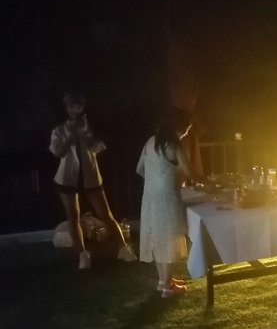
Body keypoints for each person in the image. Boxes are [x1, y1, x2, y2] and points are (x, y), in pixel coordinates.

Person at [49, 92, 138, 269]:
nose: (75, 109)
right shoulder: (60, 129)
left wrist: (86, 135)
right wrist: (70, 136)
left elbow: (99, 147)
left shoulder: (91, 125)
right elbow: (57, 152)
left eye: (78, 105)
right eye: (71, 106)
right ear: (66, 109)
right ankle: (83, 255)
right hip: (67, 178)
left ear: (83, 107)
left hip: (90, 177)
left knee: (105, 214)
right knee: (73, 217)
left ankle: (123, 248)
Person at [136, 106, 200, 298]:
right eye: (187, 127)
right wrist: (202, 180)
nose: (187, 131)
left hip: (150, 197)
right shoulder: (175, 145)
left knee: (159, 237)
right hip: (167, 198)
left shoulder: (151, 142)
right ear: (179, 126)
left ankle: (164, 281)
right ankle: (166, 288)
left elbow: (140, 169)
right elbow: (190, 173)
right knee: (168, 239)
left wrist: (156, 178)